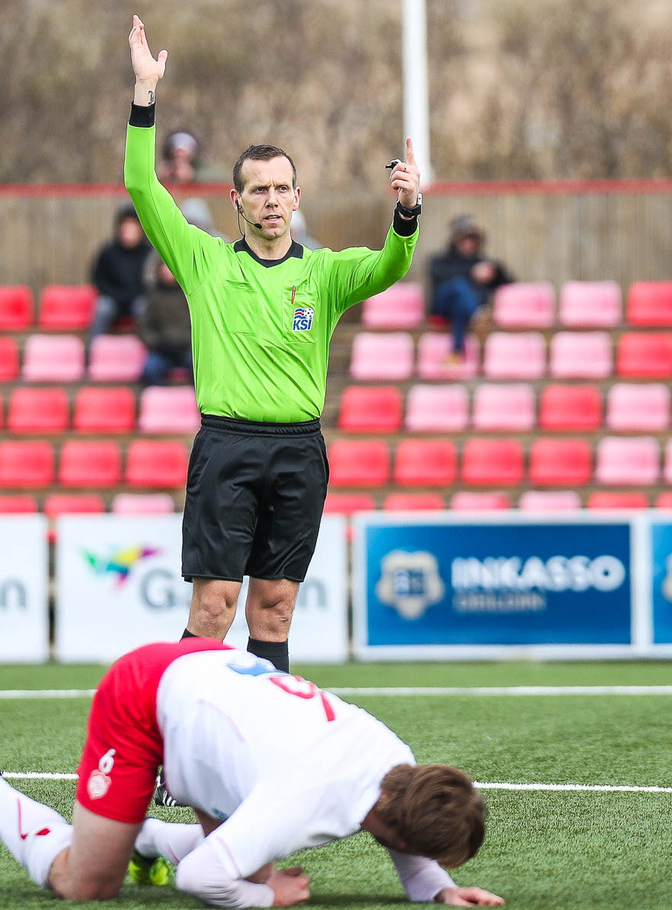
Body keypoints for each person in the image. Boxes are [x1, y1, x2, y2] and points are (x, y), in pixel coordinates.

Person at [125, 16, 422, 673]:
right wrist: (145, 94)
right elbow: (143, 188)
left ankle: (265, 730)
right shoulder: (204, 261)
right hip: (226, 448)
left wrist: (406, 213)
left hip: (298, 452)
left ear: (296, 197)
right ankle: (183, 731)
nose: (271, 199)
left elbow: (390, 266)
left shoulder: (326, 273)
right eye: (258, 189)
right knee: (214, 608)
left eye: (281, 188)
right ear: (236, 200)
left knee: (276, 609)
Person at [0, 638, 504, 908]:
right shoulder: (300, 802)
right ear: (398, 832)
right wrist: (265, 897)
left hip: (216, 679)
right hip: (146, 696)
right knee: (88, 884)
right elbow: (197, 879)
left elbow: (404, 831)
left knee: (245, 862)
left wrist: (441, 890)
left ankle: (141, 840)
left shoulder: (397, 765)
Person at [428, 214, 513, 362]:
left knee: (459, 306)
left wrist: (494, 272)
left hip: (460, 311)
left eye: (473, 239)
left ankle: (455, 353)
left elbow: (509, 282)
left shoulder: (482, 262)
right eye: (464, 238)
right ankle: (477, 314)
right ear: (455, 241)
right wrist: (471, 273)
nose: (469, 243)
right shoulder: (441, 261)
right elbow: (438, 275)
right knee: (458, 285)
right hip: (442, 307)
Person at [88, 204, 152, 344]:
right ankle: (92, 349)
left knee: (143, 309)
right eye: (125, 225)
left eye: (133, 226)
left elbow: (151, 282)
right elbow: (99, 280)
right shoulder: (107, 252)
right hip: (113, 299)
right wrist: (116, 295)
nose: (128, 230)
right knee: (102, 308)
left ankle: (148, 350)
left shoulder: (148, 254)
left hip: (138, 299)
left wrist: (134, 294)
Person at [139, 254, 193, 386]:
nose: (167, 273)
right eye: (164, 269)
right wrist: (158, 343)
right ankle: (158, 398)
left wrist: (187, 342)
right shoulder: (153, 297)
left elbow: (200, 325)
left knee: (203, 369)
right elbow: (144, 327)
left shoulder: (190, 296)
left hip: (187, 348)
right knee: (150, 370)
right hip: (162, 350)